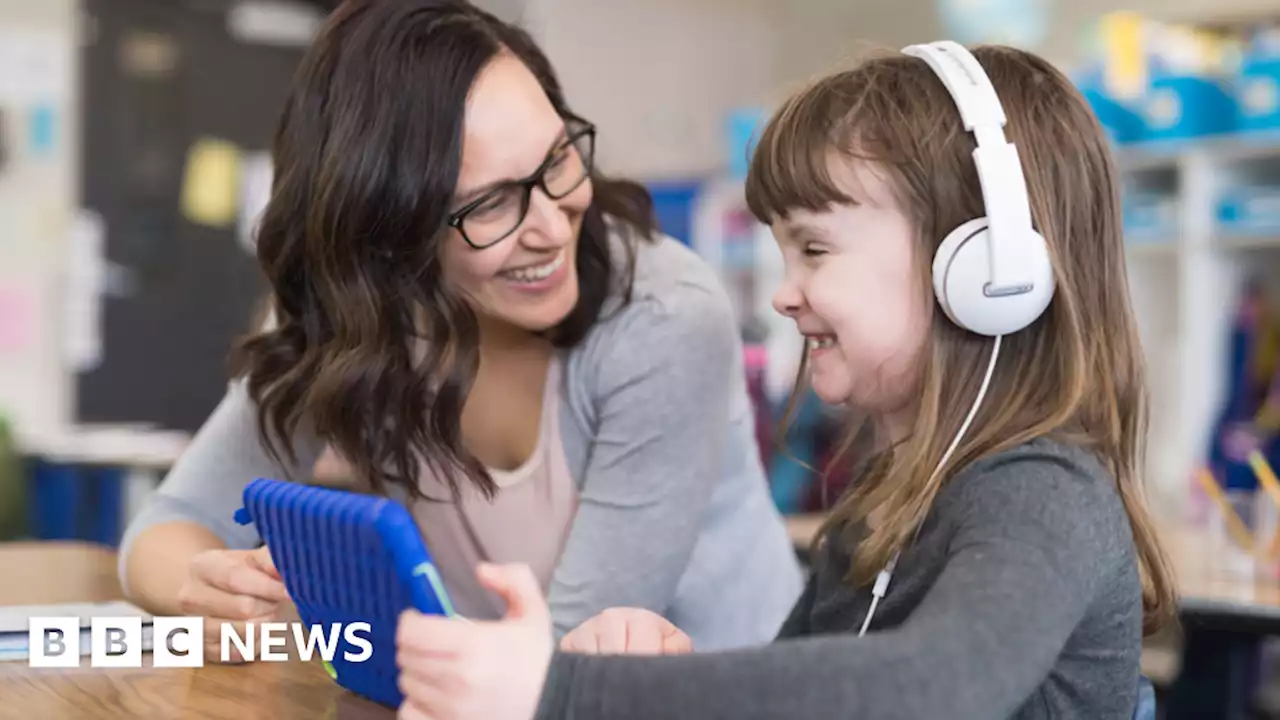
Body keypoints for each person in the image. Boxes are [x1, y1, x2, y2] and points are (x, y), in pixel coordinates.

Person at [392, 42, 1177, 720]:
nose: (784, 292)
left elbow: (937, 686)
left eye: (816, 249)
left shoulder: (1043, 492)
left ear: (982, 270)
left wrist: (564, 692)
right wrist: (646, 672)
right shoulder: (878, 513)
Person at [117, 0, 802, 660]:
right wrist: (201, 589)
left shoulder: (661, 320)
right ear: (389, 232)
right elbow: (164, 528)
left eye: (559, 158)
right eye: (492, 203)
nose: (551, 224)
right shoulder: (354, 323)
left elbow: (572, 660)